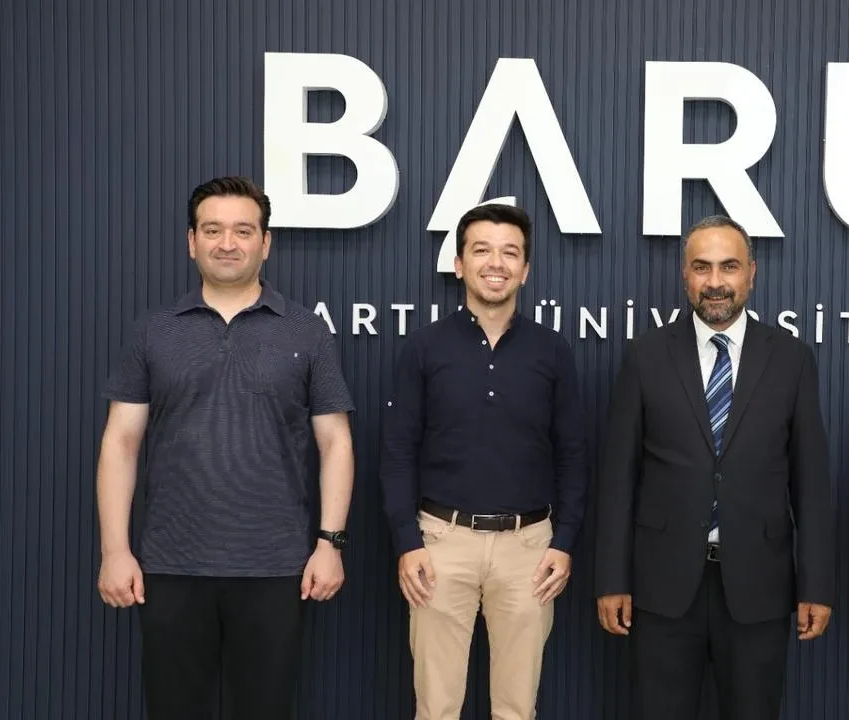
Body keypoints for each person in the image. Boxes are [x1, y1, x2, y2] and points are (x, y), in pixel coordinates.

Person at [95, 176, 356, 720]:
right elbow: (121, 442)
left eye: (243, 230)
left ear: (266, 242)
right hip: (171, 566)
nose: (228, 243)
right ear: (192, 241)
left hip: (276, 569)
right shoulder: (154, 331)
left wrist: (330, 543)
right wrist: (115, 551)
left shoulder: (306, 331)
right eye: (212, 230)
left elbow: (335, 442)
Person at [594, 214, 835, 720]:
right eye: (702, 267)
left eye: (729, 266)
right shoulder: (645, 356)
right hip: (662, 586)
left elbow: (811, 484)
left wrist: (815, 585)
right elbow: (618, 479)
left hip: (759, 585)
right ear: (685, 275)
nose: (715, 281)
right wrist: (612, 578)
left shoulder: (791, 359)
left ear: (752, 272)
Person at [379, 203, 588, 720]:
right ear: (459, 264)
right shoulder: (424, 348)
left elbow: (573, 453)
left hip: (529, 551)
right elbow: (398, 451)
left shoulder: (552, 350)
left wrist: (563, 543)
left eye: (510, 253)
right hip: (439, 545)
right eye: (482, 250)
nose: (496, 263)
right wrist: (407, 541)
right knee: (436, 708)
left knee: (517, 709)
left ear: (525, 269)